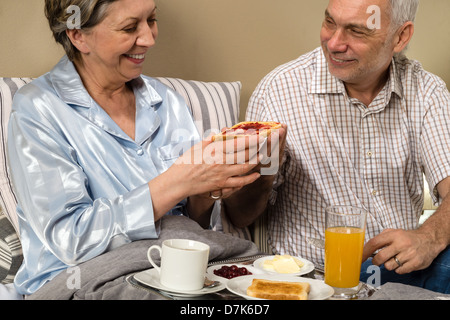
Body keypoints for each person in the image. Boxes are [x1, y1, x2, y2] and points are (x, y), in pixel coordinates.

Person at [7, 0, 261, 296]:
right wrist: (176, 182)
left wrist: (204, 191)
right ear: (78, 35)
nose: (150, 39)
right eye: (130, 28)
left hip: (176, 265)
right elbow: (70, 241)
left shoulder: (165, 101)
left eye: (152, 20)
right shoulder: (37, 108)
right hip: (81, 276)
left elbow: (192, 229)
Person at [224, 0, 450, 293]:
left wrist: (429, 236)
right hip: (313, 279)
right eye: (330, 22)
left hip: (399, 274)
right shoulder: (278, 91)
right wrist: (265, 170)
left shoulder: (426, 91)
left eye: (357, 31)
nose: (333, 43)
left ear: (400, 37)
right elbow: (241, 216)